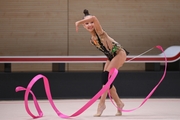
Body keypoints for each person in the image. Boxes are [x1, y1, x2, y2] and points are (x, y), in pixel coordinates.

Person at [75, 9, 129, 117]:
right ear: (85, 27)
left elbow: (94, 18)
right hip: (111, 57)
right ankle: (119, 103)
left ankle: (101, 104)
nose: (90, 24)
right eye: (86, 23)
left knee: (106, 79)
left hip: (119, 54)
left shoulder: (99, 32)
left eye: (91, 22)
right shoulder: (92, 40)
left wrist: (78, 23)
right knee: (107, 82)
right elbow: (106, 51)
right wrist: (109, 61)